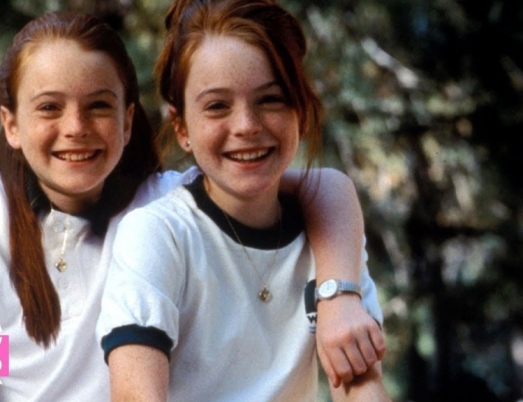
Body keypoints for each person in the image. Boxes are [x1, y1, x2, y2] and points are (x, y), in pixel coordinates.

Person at [0, 10, 382, 402]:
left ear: (128, 120)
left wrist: (338, 295)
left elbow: (322, 187)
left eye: (98, 106)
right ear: (11, 124)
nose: (76, 127)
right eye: (49, 107)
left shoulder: (162, 203)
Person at [97, 0, 390, 401]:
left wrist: (339, 299)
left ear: (301, 111)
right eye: (217, 106)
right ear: (181, 127)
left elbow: (362, 389)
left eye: (270, 99)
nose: (247, 126)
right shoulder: (159, 234)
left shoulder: (331, 235)